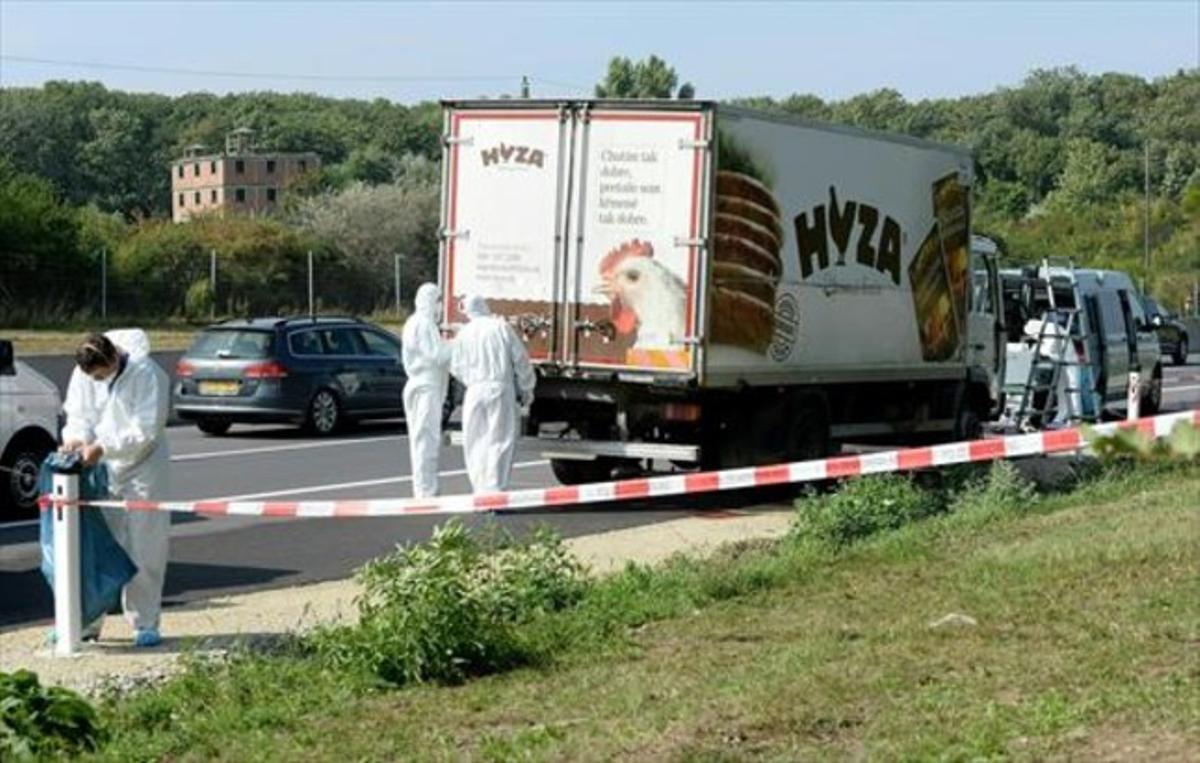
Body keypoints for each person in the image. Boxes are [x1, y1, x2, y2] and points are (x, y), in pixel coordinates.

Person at [61, 330, 171, 647]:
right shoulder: (83, 374)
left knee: (144, 545)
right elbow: (78, 413)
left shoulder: (148, 373)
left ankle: (144, 623)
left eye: (101, 374)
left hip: (144, 465)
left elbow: (146, 430)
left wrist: (103, 447)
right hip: (103, 465)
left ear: (113, 357)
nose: (97, 380)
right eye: (92, 377)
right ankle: (86, 622)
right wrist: (76, 439)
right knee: (99, 545)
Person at [449, 295, 536, 493]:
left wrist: (471, 380)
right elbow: (521, 360)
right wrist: (527, 387)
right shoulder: (500, 327)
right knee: (500, 439)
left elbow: (454, 366)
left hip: (474, 391)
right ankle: (496, 490)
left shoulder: (464, 333)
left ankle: (479, 489)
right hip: (500, 388)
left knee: (475, 441)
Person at [402, 283, 451, 498]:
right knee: (426, 439)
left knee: (423, 438)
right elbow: (438, 355)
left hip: (421, 384)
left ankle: (424, 488)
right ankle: (426, 490)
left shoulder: (415, 322)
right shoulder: (423, 324)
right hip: (426, 385)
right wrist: (459, 343)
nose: (440, 306)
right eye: (438, 300)